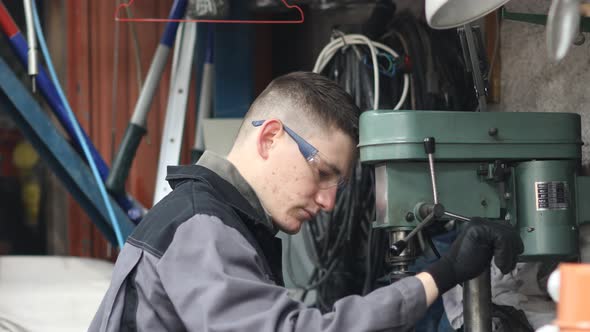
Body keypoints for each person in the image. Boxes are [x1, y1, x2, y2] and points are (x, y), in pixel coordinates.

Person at [89, 71, 523, 331]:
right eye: (322, 173)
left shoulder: (214, 223)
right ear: (271, 136)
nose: (329, 202)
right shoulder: (201, 227)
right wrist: (443, 273)